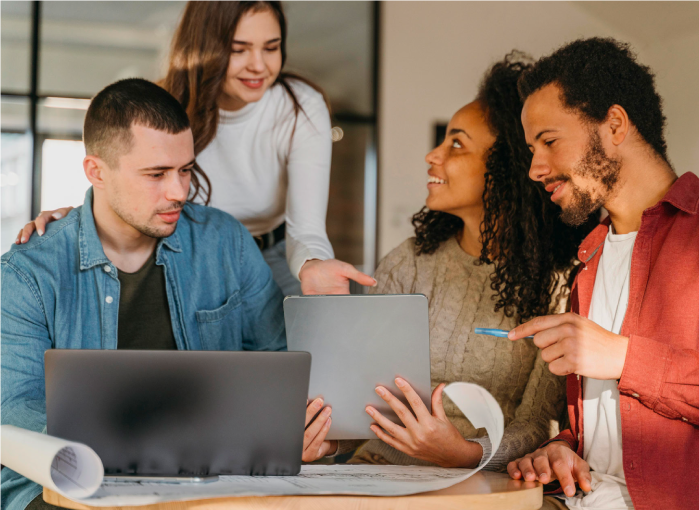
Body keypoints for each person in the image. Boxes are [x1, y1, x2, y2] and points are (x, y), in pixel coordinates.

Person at [0, 79, 334, 510]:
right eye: (156, 174)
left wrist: (296, 431)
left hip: (213, 480)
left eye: (185, 169)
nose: (178, 191)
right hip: (65, 486)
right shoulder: (28, 273)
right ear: (96, 171)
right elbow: (14, 412)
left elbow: (283, 363)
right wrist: (169, 443)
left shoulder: (226, 242)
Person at [16, 0, 375, 297]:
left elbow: (306, 227)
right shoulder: (165, 105)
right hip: (192, 253)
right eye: (239, 49)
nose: (259, 65)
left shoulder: (300, 106)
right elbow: (125, 180)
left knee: (302, 354)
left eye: (272, 47)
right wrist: (79, 218)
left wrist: (312, 266)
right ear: (207, 47)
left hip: (275, 253)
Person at [343, 54, 596, 468]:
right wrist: (327, 438)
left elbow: (538, 423)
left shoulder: (560, 281)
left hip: (482, 483)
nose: (433, 155)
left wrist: (464, 454)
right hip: (379, 468)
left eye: (456, 144)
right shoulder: (408, 262)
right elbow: (360, 394)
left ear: (506, 168)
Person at [507, 38, 699, 510]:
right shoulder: (589, 261)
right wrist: (563, 448)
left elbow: (622, 367)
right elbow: (610, 419)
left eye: (549, 142)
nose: (535, 168)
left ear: (614, 124)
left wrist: (623, 358)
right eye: (533, 149)